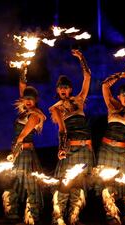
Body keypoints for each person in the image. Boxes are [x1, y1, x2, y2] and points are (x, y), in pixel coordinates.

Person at [49, 49, 95, 225]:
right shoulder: (57, 108)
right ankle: (58, 218)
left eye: (66, 86)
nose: (63, 89)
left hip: (85, 148)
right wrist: (61, 148)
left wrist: (81, 58)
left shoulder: (79, 100)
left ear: (70, 89)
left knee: (78, 184)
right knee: (64, 184)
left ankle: (74, 218)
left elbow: (88, 77)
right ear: (57, 90)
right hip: (69, 148)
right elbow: (62, 130)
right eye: (61, 87)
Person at [0, 64, 46, 225]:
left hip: (24, 153)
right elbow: (22, 87)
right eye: (25, 98)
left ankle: (32, 216)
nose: (27, 101)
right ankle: (11, 215)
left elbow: (21, 137)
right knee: (12, 183)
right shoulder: (24, 111)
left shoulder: (33, 116)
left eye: (30, 99)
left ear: (35, 101)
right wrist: (23, 68)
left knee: (29, 184)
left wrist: (14, 153)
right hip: (18, 152)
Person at [96, 71, 125, 225]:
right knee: (108, 186)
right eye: (123, 94)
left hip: (124, 152)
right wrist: (120, 75)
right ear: (119, 96)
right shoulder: (112, 105)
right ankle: (112, 220)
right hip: (107, 150)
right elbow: (104, 85)